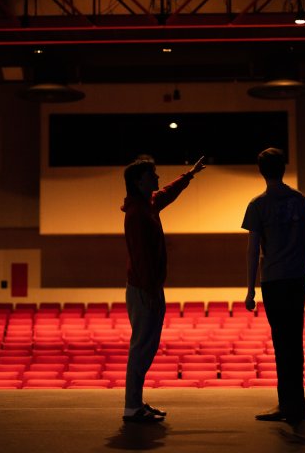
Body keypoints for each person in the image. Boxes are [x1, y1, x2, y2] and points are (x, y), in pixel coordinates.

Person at [121, 155, 206, 423]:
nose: (157, 178)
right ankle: (132, 408)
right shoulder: (137, 214)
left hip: (150, 287)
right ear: (138, 181)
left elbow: (167, 193)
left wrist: (189, 175)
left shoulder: (147, 205)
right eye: (152, 175)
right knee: (141, 347)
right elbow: (141, 257)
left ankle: (136, 403)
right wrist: (150, 292)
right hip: (144, 288)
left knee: (146, 347)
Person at [242, 147, 305, 423]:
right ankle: (295, 405)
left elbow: (253, 251)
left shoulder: (258, 205)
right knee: (294, 341)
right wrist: (303, 265)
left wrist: (250, 290)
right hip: (296, 279)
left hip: (273, 281)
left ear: (261, 171)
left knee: (281, 342)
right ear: (283, 169)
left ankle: (287, 405)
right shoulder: (299, 200)